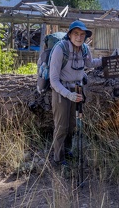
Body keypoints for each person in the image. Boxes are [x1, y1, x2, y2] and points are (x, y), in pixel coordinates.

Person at [49, 20, 102, 166]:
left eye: (82, 34)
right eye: (76, 34)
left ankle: (67, 151)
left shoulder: (84, 49)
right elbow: (53, 80)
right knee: (61, 126)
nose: (79, 37)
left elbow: (90, 64)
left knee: (72, 124)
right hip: (61, 91)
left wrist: (106, 60)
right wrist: (68, 94)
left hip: (76, 90)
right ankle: (58, 159)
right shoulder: (60, 49)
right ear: (70, 34)